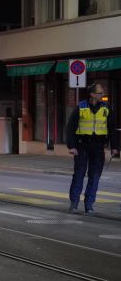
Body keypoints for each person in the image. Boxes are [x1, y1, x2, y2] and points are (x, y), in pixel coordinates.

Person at [66, 83, 119, 214]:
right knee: (79, 174)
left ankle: (89, 205)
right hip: (82, 145)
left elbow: (112, 129)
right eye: (100, 93)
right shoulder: (81, 107)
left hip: (98, 145)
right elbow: (70, 127)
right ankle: (74, 202)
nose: (102, 95)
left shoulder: (106, 109)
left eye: (102, 93)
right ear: (92, 94)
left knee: (94, 176)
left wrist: (115, 147)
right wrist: (72, 146)